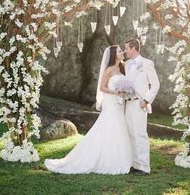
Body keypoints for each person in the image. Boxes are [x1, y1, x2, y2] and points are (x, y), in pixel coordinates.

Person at [44, 45, 132, 174]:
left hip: (121, 102)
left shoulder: (123, 67)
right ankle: (103, 158)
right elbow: (102, 87)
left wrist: (125, 91)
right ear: (114, 54)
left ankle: (122, 158)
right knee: (109, 125)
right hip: (111, 101)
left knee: (119, 125)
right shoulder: (109, 70)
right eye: (120, 51)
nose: (122, 52)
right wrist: (115, 92)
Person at [124, 38, 160, 175]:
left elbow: (155, 85)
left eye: (127, 48)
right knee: (131, 134)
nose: (125, 51)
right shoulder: (126, 64)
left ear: (134, 48)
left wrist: (146, 100)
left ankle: (144, 166)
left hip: (140, 104)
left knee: (140, 134)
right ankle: (135, 164)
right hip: (128, 103)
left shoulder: (147, 63)